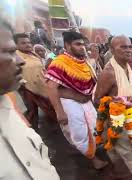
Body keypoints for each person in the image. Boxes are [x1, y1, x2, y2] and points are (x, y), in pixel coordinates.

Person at [0, 16, 60, 180]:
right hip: (27, 89)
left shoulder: (7, 107)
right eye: (10, 52)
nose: (19, 61)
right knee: (32, 115)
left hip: (40, 87)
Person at [46, 31, 108, 169]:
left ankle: (88, 150)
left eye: (83, 44)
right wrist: (59, 112)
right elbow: (51, 88)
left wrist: (95, 57)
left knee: (93, 128)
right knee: (80, 134)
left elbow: (90, 78)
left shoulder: (83, 61)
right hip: (71, 104)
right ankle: (94, 160)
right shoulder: (59, 62)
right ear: (67, 45)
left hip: (85, 103)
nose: (82, 47)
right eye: (78, 44)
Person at [94, 35, 132, 179]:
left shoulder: (127, 66)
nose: (129, 50)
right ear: (112, 49)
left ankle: (112, 163)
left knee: (125, 150)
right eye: (123, 47)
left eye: (130, 46)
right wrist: (118, 101)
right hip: (119, 122)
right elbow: (96, 100)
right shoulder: (109, 73)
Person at [14, 33, 57, 128]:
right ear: (16, 45)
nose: (28, 45)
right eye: (23, 43)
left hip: (42, 87)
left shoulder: (34, 55)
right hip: (27, 89)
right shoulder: (15, 57)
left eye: (29, 42)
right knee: (31, 113)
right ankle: (30, 134)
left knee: (51, 108)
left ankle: (55, 131)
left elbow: (42, 70)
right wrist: (22, 85)